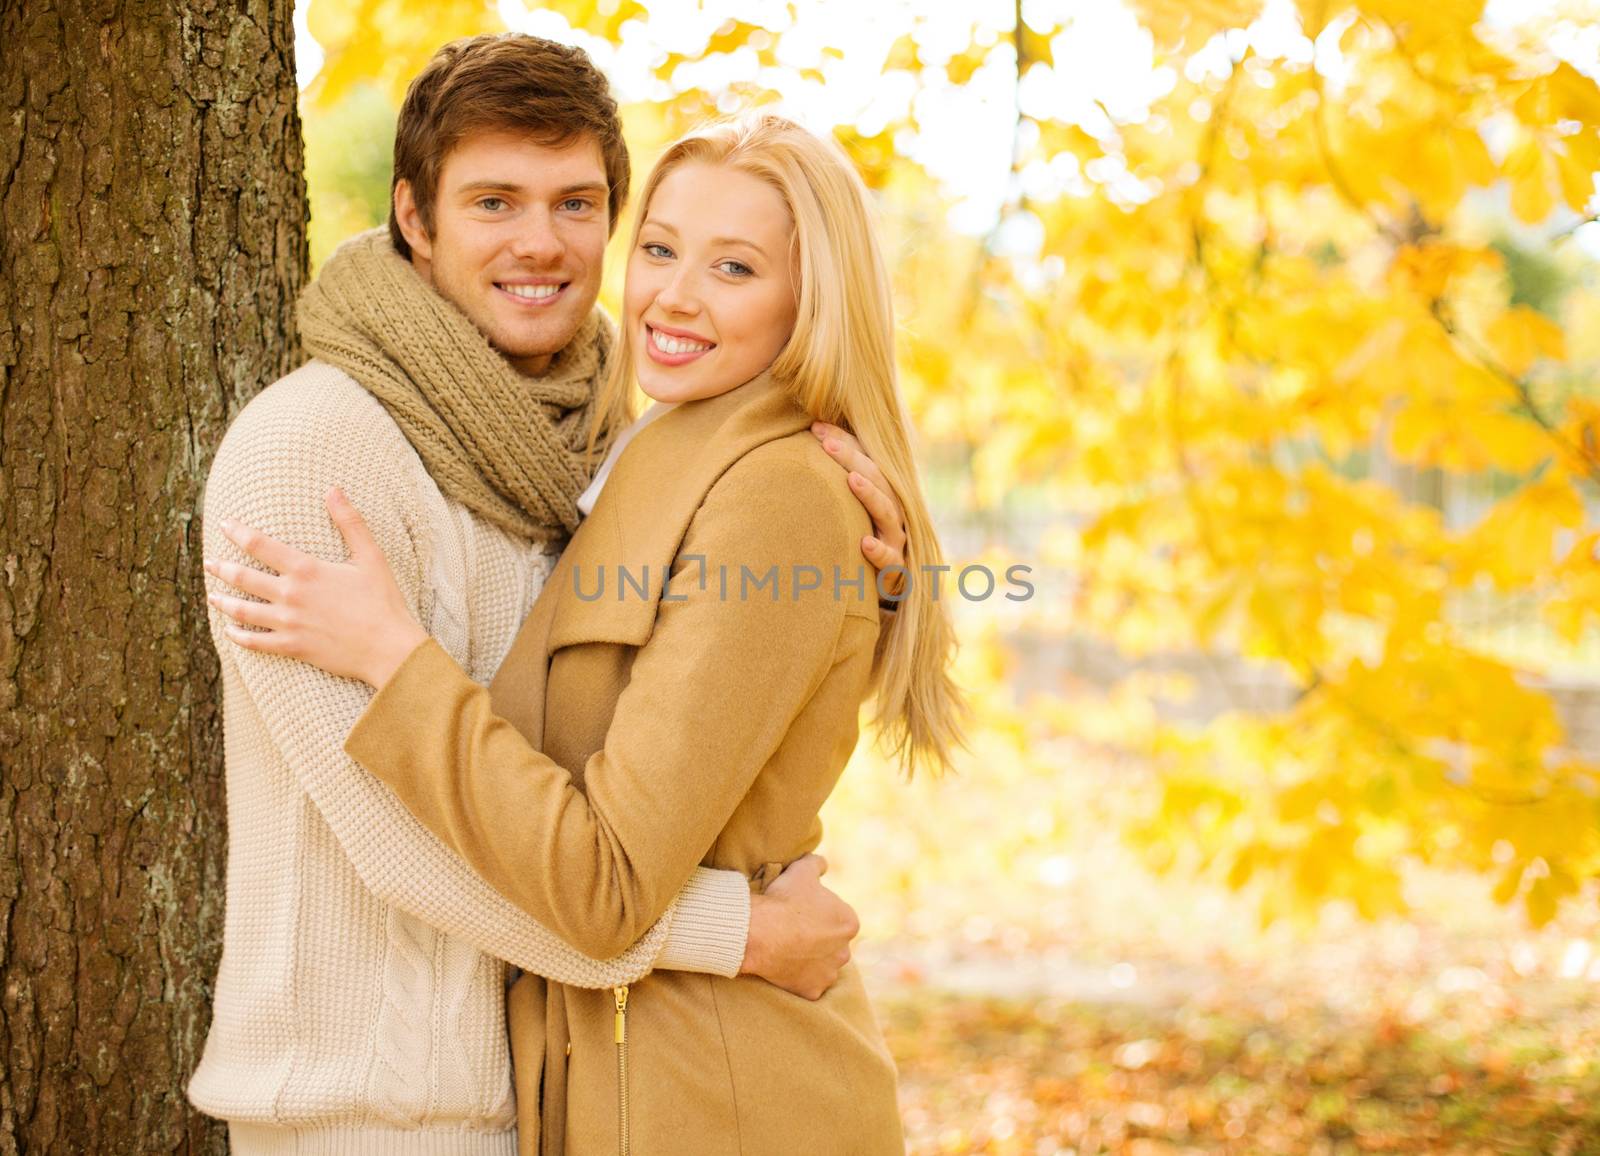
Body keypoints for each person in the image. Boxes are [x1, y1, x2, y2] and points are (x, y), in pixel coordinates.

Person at [188, 35, 913, 1156]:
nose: (541, 242)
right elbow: (401, 838)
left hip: (562, 1090)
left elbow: (684, 740)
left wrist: (861, 584)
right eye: (492, 201)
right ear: (413, 220)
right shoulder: (309, 457)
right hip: (370, 1111)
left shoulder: (619, 446)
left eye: (576, 202)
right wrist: (740, 932)